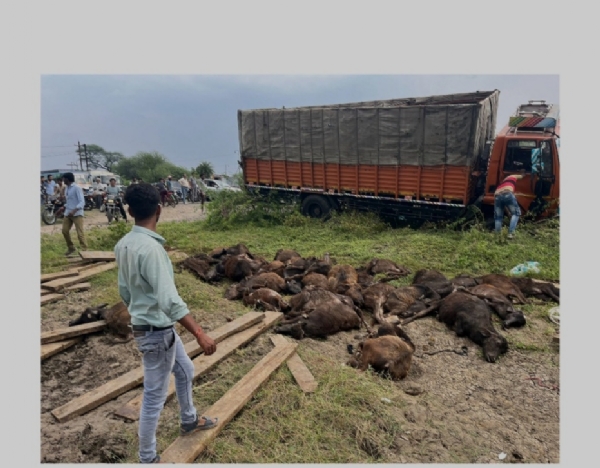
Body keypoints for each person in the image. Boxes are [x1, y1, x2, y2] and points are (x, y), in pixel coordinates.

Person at [114, 183, 218, 464]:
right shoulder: (152, 250)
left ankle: (189, 420)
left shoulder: (123, 244)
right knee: (153, 398)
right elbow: (169, 301)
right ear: (160, 209)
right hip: (156, 333)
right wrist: (200, 333)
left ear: (130, 210)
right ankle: (147, 458)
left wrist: (140, 309)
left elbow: (124, 291)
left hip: (154, 328)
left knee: (185, 369)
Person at [55, 172, 88, 256]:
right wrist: (63, 207)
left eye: (64, 179)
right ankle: (71, 248)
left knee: (80, 233)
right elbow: (70, 201)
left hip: (77, 214)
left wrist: (74, 210)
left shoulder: (77, 188)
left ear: (68, 179)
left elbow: (82, 202)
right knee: (64, 231)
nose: (63, 180)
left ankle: (84, 250)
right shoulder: (67, 188)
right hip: (68, 213)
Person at [494, 173, 525, 239]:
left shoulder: (503, 182)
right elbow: (522, 176)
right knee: (516, 213)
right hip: (507, 193)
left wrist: (508, 211)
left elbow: (503, 202)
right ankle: (510, 233)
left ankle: (497, 235)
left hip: (497, 195)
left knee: (498, 217)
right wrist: (523, 173)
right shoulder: (512, 176)